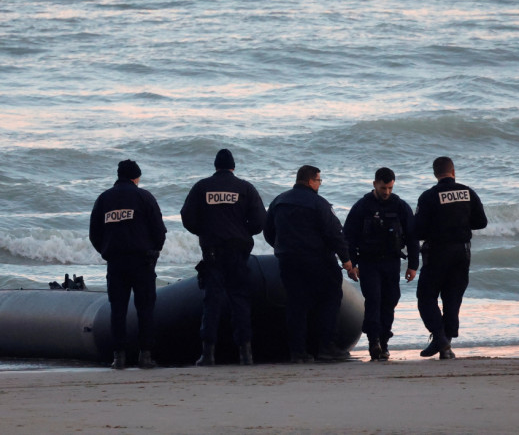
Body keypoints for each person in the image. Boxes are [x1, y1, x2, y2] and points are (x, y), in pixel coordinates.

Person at [180, 149, 266, 366]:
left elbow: (187, 217)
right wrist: (243, 231)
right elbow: (259, 221)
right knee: (240, 301)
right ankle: (245, 354)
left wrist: (205, 231)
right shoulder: (245, 188)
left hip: (213, 252)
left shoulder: (202, 187)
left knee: (212, 302)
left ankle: (208, 354)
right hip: (238, 251)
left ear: (216, 166)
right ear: (233, 167)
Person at [264, 165, 357, 363]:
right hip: (318, 261)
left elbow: (269, 232)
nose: (319, 184)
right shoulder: (319, 204)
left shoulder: (279, 201)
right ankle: (327, 347)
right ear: (309, 181)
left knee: (296, 304)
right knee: (330, 299)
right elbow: (334, 234)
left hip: (288, 261)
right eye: (319, 181)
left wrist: (282, 248)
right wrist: (346, 259)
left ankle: (297, 352)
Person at [89, 160, 167, 370]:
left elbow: (94, 234)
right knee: (145, 309)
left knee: (118, 310)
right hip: (142, 261)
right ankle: (145, 356)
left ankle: (119, 358)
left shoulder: (104, 199)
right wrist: (154, 251)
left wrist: (107, 252)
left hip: (115, 263)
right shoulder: (144, 197)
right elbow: (159, 230)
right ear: (136, 177)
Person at [414, 157, 487, 360]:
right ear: (453, 171)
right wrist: (460, 223)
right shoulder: (467, 192)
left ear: (435, 173)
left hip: (438, 252)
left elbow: (417, 230)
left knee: (426, 297)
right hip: (462, 253)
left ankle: (441, 339)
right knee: (452, 298)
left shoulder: (429, 196)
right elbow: (481, 222)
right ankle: (445, 343)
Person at [343, 167, 419, 361]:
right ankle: (373, 341)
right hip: (368, 262)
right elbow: (348, 237)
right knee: (374, 300)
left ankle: (384, 341)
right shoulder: (362, 206)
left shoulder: (400, 206)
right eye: (383, 188)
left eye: (390, 188)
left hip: (392, 262)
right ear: (374, 184)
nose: (387, 192)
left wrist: (413, 265)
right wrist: (351, 263)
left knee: (390, 301)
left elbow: (412, 237)